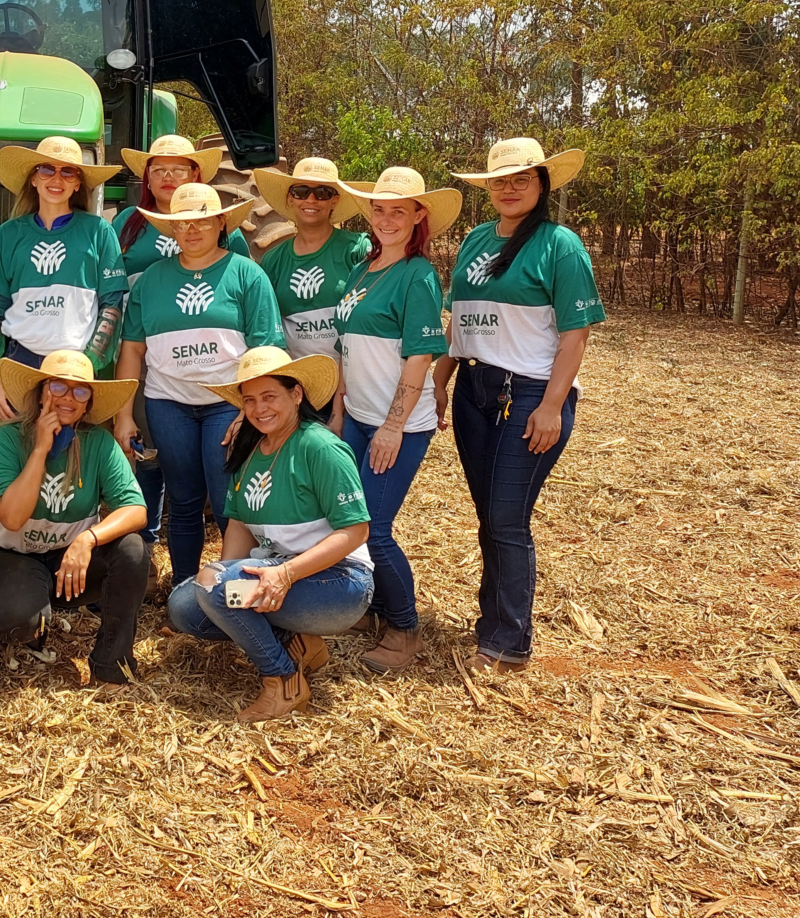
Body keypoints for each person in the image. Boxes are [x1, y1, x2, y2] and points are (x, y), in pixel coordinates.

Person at [434, 138, 605, 673]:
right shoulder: (475, 241)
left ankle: (510, 641)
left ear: (542, 184)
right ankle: (493, 622)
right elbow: (458, 325)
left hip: (529, 392)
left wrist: (552, 406)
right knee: (489, 517)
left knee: (508, 519)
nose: (509, 189)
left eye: (522, 179)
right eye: (500, 181)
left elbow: (575, 335)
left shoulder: (561, 245)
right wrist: (440, 382)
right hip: (474, 388)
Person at [168, 347, 373, 722]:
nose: (259, 408)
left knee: (217, 585)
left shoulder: (320, 446)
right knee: (187, 605)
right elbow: (240, 523)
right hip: (279, 574)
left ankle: (282, 680)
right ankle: (300, 643)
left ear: (296, 395)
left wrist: (284, 573)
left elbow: (356, 530)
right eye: (249, 400)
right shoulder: (252, 449)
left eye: (269, 396)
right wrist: (223, 580)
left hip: (338, 582)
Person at [112, 183, 284, 588]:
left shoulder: (246, 274)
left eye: (202, 221)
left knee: (229, 500)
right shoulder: (152, 280)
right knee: (184, 499)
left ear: (220, 222)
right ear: (171, 229)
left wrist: (249, 410)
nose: (192, 230)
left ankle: (234, 588)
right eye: (182, 223)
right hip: (168, 403)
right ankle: (185, 588)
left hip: (228, 403)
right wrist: (123, 414)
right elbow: (132, 350)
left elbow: (268, 349)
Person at [330, 167, 459, 673]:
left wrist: (393, 425)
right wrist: (342, 411)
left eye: (398, 211)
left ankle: (404, 629)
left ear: (418, 216)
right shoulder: (363, 270)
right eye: (379, 209)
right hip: (360, 415)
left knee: (372, 529)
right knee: (354, 521)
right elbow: (346, 348)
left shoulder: (418, 275)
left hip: (398, 423)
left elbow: (420, 357)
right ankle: (378, 610)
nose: (386, 219)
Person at [0, 351, 149, 690]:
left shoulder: (98, 442)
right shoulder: (6, 438)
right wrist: (41, 448)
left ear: (88, 403)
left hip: (71, 563)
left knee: (133, 550)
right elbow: (11, 518)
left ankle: (111, 665)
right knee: (21, 621)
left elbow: (136, 509)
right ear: (41, 392)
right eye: (58, 386)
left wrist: (88, 539)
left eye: (80, 391)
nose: (68, 398)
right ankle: (31, 623)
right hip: (13, 557)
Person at [113, 135, 250, 546]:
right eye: (159, 169)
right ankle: (145, 544)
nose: (169, 177)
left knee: (211, 477)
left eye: (179, 169)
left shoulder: (234, 249)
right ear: (147, 178)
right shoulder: (125, 225)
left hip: (213, 378)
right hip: (146, 357)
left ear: (197, 174)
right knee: (147, 455)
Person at [0, 136, 127, 421]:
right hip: (19, 361)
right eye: (46, 170)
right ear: (33, 179)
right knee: (19, 451)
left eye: (68, 171)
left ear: (77, 183)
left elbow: (112, 306)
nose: (56, 178)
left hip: (76, 363)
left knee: (70, 454)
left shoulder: (99, 231)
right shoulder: (8, 234)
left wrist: (88, 362)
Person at [252, 157, 372, 371]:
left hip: (352, 376)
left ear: (334, 201)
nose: (311, 199)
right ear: (290, 198)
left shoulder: (356, 250)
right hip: (297, 378)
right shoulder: (274, 260)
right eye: (301, 191)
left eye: (323, 193)